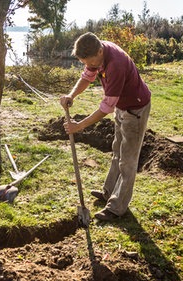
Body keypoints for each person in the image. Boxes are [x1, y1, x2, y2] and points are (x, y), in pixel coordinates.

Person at [60, 32, 151, 221]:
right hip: (122, 106)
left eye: (91, 63)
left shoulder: (115, 65)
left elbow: (106, 108)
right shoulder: (98, 53)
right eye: (85, 63)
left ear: (100, 51)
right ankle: (108, 192)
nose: (89, 66)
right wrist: (71, 95)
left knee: (128, 160)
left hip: (136, 109)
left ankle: (117, 208)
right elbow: (87, 77)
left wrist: (80, 126)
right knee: (117, 150)